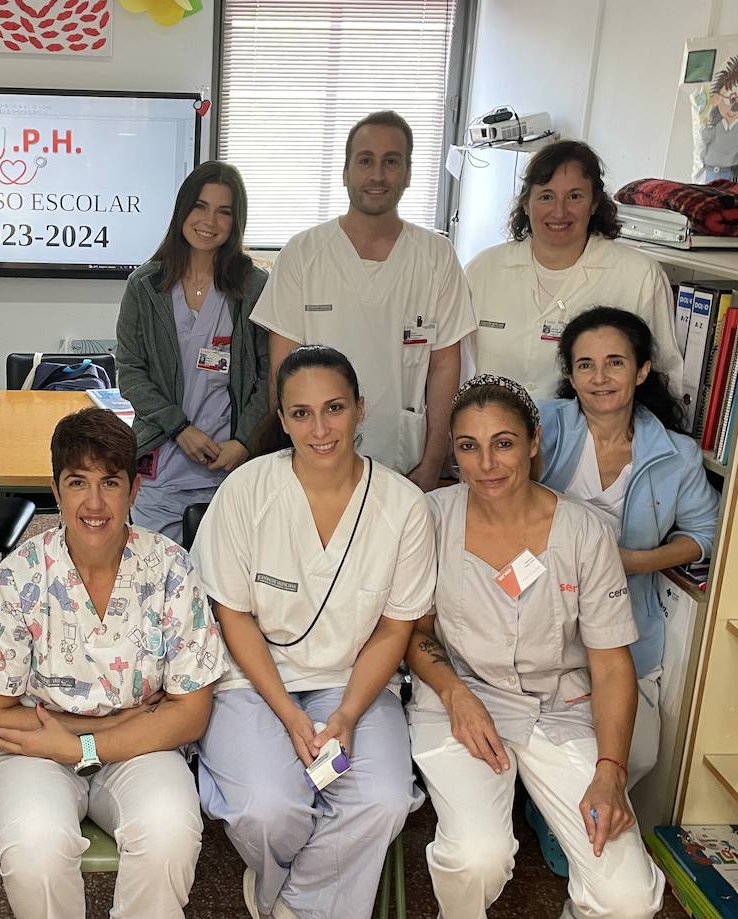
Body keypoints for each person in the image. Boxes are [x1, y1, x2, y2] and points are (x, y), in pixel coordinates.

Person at [405, 374, 665, 919]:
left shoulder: (584, 533)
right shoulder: (429, 518)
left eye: (503, 442)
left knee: (629, 900)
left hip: (560, 710)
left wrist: (610, 772)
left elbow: (612, 664)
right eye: (468, 447)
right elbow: (414, 632)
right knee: (476, 857)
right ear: (453, 451)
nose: (487, 464)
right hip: (461, 704)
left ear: (534, 440)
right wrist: (455, 695)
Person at [0, 407, 225, 919]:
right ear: (55, 492)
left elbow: (190, 713)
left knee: (170, 835)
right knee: (34, 851)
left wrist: (80, 741)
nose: (95, 503)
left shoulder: (169, 568)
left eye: (110, 482)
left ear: (134, 491)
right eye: (77, 483)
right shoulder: (20, 576)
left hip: (139, 751)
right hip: (37, 751)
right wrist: (117, 720)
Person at [194, 345, 432, 919]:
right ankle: (320, 891)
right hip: (250, 682)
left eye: (334, 408)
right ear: (281, 419)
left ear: (360, 409)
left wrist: (346, 715)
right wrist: (290, 715)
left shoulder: (402, 506)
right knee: (269, 809)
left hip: (352, 683)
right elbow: (233, 615)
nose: (320, 429)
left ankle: (292, 903)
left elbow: (394, 629)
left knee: (380, 801)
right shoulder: (246, 491)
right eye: (301, 414)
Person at [539, 306, 719, 784]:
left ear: (641, 371)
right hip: (541, 613)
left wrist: (638, 562)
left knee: (637, 755)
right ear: (571, 375)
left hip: (626, 622)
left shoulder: (675, 454)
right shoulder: (542, 427)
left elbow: (706, 535)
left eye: (615, 362)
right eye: (585, 365)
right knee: (557, 747)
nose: (600, 378)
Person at [250, 111, 475, 490]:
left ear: (407, 173)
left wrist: (433, 462)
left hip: (405, 462)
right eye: (365, 160)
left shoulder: (437, 256)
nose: (378, 174)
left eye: (391, 161)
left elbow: (444, 368)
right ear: (345, 172)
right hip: (314, 462)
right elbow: (282, 374)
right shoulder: (303, 254)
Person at [116, 160, 269, 540]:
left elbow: (271, 376)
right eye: (200, 206)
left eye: (224, 212)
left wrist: (245, 442)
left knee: (225, 587)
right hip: (164, 460)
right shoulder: (146, 285)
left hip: (230, 467)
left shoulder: (254, 287)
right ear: (182, 210)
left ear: (236, 222)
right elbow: (131, 372)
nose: (209, 221)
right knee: (159, 579)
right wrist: (179, 428)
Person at [464, 138, 682, 400]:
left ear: (594, 203)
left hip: (592, 438)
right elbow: (459, 366)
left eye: (575, 196)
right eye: (546, 196)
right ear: (525, 203)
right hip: (493, 434)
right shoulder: (483, 270)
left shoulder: (638, 276)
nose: (559, 211)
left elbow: (664, 376)